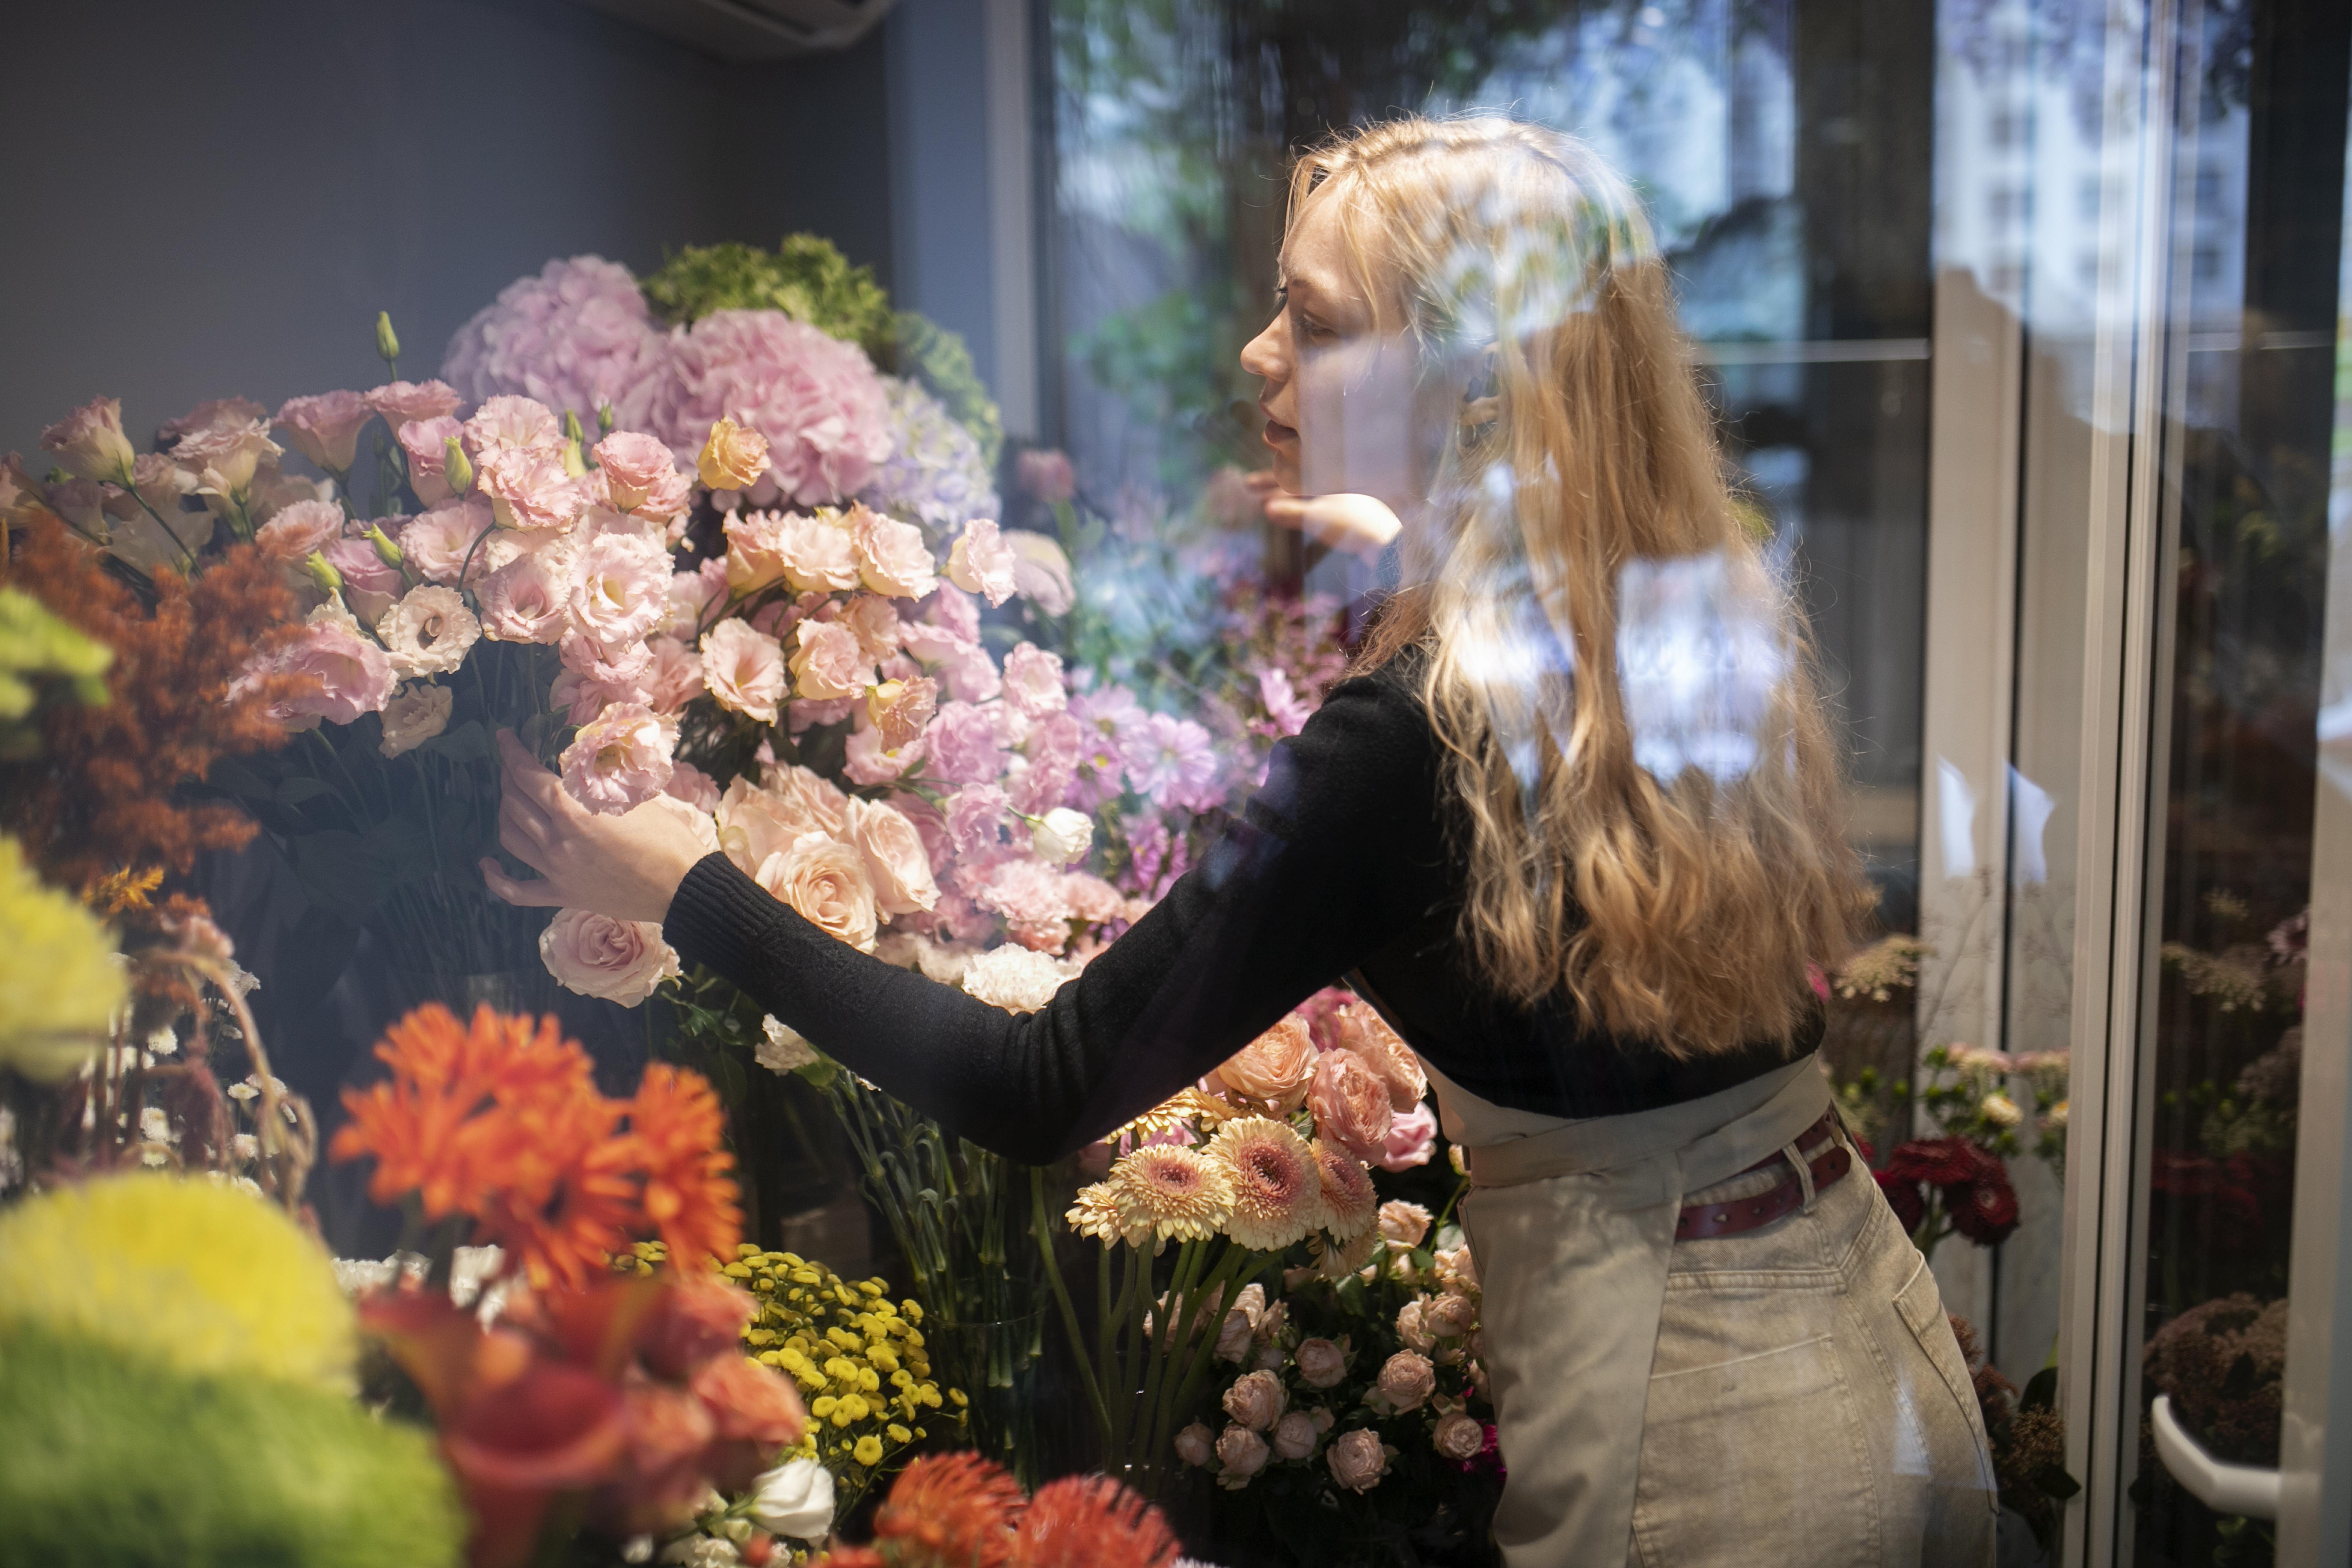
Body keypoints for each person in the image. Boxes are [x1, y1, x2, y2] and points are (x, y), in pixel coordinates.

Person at [485, 114, 1997, 1567]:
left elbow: (1043, 1084)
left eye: (1319, 324)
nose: (1256, 355)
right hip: (1871, 1352)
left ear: (1474, 390)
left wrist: (688, 888)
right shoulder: (1661, 606)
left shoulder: (1407, 740)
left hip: (1696, 1434)